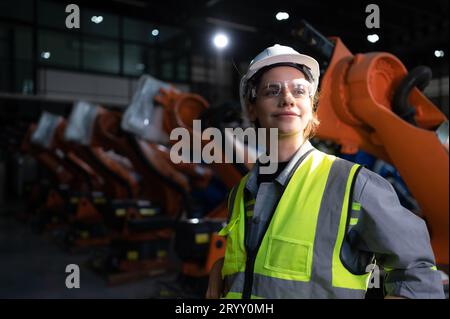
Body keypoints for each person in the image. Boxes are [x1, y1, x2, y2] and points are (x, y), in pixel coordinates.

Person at [206, 44, 444, 299]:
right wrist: (224, 269)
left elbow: (419, 276)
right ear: (252, 108)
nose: (287, 98)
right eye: (271, 90)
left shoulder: (353, 185)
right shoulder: (240, 193)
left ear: (311, 106)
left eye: (299, 91)